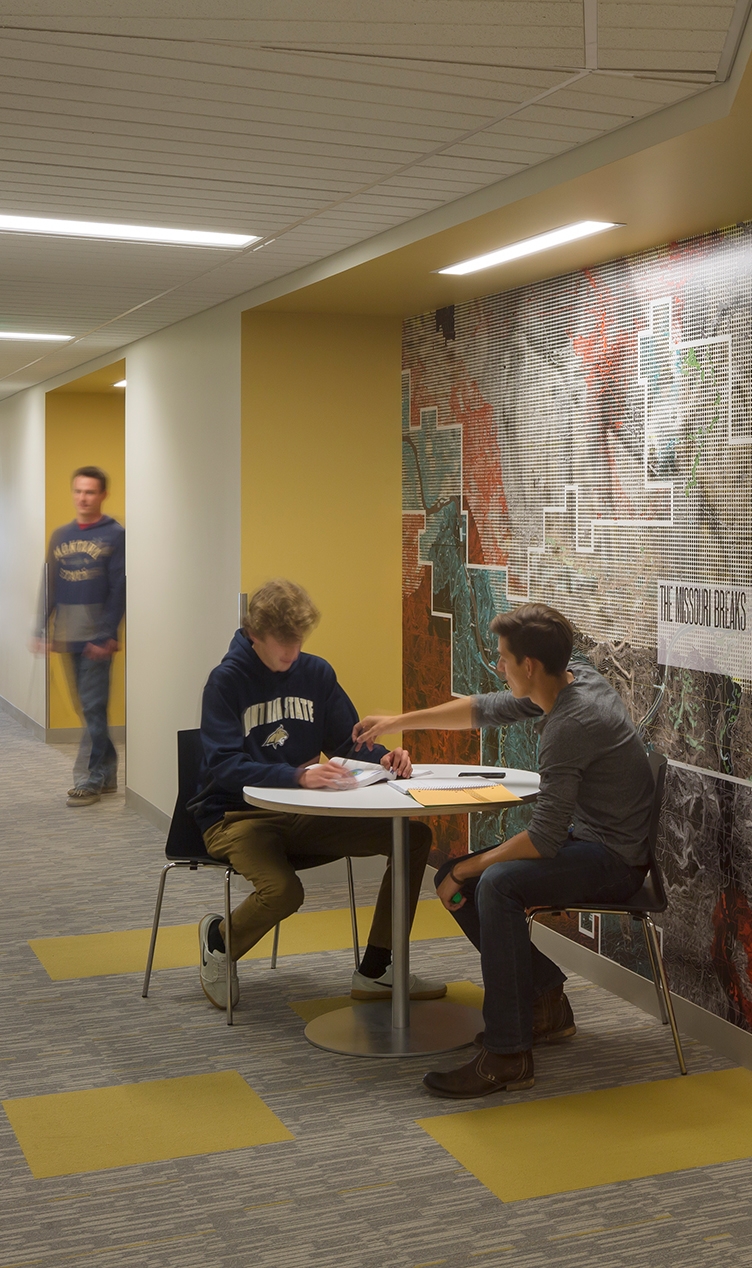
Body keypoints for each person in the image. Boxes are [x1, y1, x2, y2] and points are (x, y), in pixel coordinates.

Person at [353, 602, 654, 1100]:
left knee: (493, 883)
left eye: (503, 658)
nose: (498, 666)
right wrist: (398, 721)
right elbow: (482, 709)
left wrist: (470, 866)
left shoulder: (570, 726)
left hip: (614, 861)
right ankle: (543, 1003)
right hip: (592, 838)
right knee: (459, 878)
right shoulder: (572, 678)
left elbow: (543, 840)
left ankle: (507, 1055)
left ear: (529, 666)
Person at [190, 578, 445, 1011]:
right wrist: (297, 776)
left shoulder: (316, 673)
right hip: (234, 817)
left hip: (300, 813)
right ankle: (218, 942)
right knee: (285, 892)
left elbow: (347, 745)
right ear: (254, 635)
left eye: (298, 640)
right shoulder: (225, 682)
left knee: (412, 839)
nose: (292, 652)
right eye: (281, 642)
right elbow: (223, 766)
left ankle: (377, 970)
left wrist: (383, 758)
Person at [34, 466, 125, 807]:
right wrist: (42, 627)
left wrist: (107, 633)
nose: (83, 498)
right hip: (68, 635)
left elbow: (120, 588)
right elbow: (50, 585)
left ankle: (89, 779)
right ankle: (109, 773)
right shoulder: (60, 535)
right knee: (89, 709)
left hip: (97, 639)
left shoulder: (116, 535)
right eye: (78, 491)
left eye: (90, 492)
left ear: (103, 495)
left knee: (92, 706)